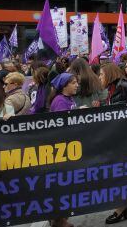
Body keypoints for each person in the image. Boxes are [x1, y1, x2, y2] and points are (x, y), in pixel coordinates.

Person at [100, 63, 127, 224]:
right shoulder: (110, 91)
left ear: (110, 75)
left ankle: (120, 209)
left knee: (121, 174)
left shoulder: (124, 86)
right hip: (119, 137)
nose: (99, 78)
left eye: (102, 75)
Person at [48, 73, 79, 227]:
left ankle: (60, 219)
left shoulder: (69, 99)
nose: (77, 85)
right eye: (73, 83)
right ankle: (59, 220)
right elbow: (62, 126)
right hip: (62, 149)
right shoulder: (60, 101)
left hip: (68, 147)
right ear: (64, 85)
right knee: (63, 187)